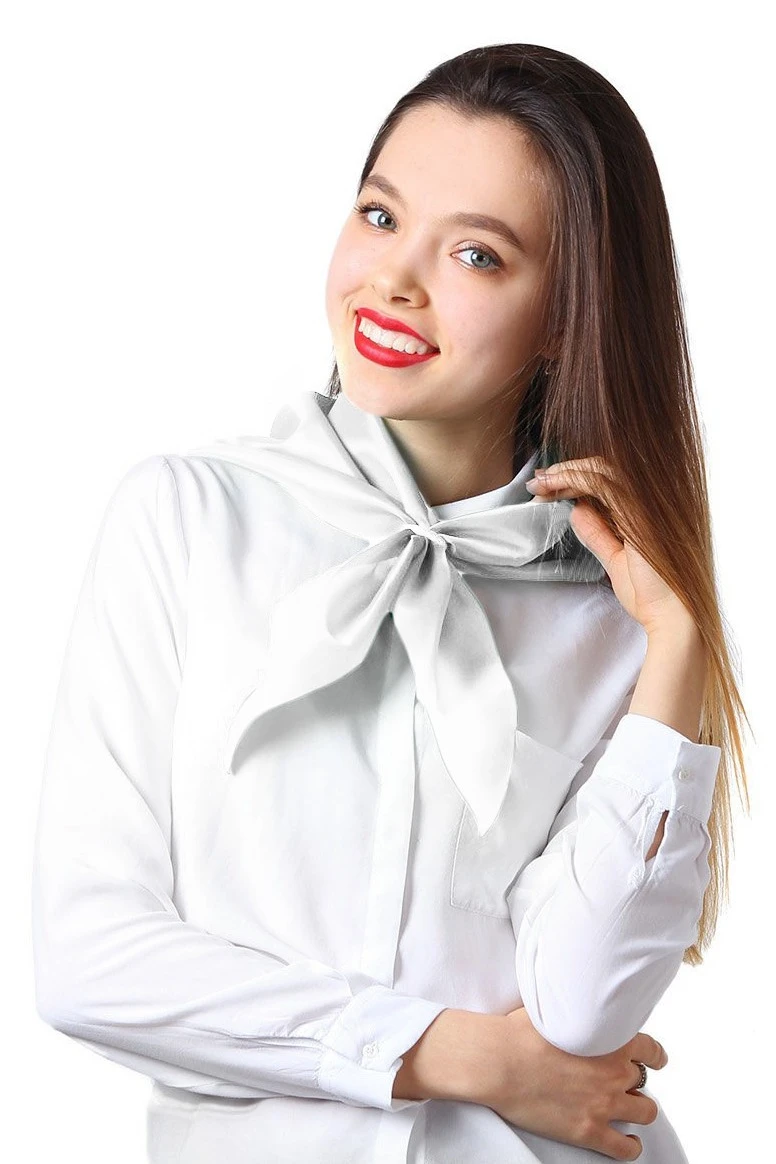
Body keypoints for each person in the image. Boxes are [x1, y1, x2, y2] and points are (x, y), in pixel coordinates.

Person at [31, 43, 749, 1164]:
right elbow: (90, 961)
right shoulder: (187, 520)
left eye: (475, 253)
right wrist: (458, 1055)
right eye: (379, 216)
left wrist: (675, 644)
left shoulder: (617, 606)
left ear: (567, 316)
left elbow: (582, 1009)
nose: (395, 281)